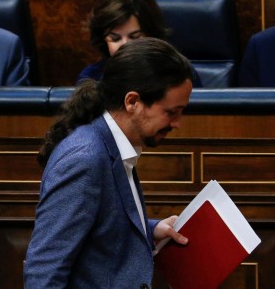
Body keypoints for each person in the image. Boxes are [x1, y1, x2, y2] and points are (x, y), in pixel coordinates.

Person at [24, 37, 192, 288]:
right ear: (133, 102)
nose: (178, 123)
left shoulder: (114, 145)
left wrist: (150, 229)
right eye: (171, 112)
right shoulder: (85, 160)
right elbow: (44, 270)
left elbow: (99, 229)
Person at [77, 0, 202, 86]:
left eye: (135, 37)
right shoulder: (90, 78)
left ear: (151, 34)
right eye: (115, 38)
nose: (125, 46)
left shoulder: (180, 75)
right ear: (103, 39)